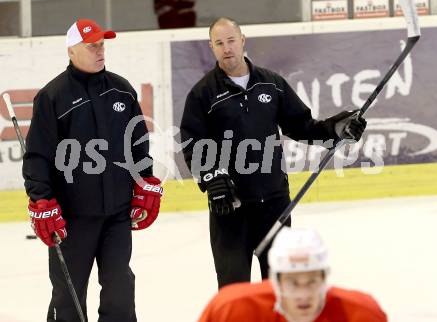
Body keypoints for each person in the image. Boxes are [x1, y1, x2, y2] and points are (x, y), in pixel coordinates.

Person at [180, 17, 367, 289]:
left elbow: (302, 126)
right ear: (211, 47)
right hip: (229, 207)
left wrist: (336, 130)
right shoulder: (202, 94)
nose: (226, 48)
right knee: (235, 292)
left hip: (273, 204)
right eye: (219, 43)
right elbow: (193, 142)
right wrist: (211, 177)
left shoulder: (272, 84)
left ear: (242, 40)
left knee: (280, 288)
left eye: (231, 40)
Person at [22, 19, 163, 322]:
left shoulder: (121, 90)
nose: (100, 51)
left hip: (117, 216)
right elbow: (38, 156)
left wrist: (145, 181)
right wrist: (41, 199)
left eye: (102, 44)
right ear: (72, 50)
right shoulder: (52, 96)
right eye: (92, 45)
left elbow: (137, 144)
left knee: (120, 295)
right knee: (68, 299)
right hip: (72, 219)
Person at [198, 227, 388, 322]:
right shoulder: (230, 310)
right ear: (275, 281)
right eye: (292, 283)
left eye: (312, 282)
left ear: (325, 279)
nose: (303, 294)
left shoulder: (361, 313)